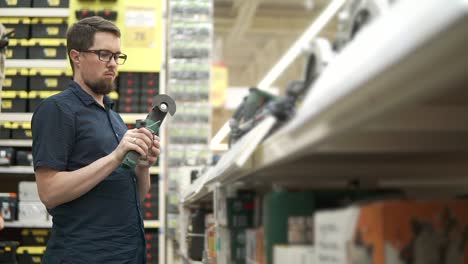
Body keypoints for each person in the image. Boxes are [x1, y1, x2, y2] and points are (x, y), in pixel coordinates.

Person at [31, 16, 160, 264]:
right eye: (104, 54)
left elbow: (132, 197)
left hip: (128, 255)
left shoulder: (115, 118)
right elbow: (49, 192)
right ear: (76, 57)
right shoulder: (57, 110)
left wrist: (143, 167)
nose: (113, 64)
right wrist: (115, 156)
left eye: (117, 56)